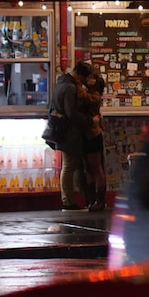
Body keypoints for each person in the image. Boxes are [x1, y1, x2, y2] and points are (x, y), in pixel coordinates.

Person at [48, 61, 93, 210]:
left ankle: (70, 199)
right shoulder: (70, 87)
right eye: (84, 78)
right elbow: (71, 112)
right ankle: (67, 201)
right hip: (68, 131)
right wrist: (89, 120)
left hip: (60, 128)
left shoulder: (61, 83)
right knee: (69, 165)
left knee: (70, 165)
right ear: (79, 75)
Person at [80, 68, 108, 212]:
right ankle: (91, 200)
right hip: (87, 133)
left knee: (96, 167)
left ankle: (100, 201)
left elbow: (85, 99)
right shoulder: (89, 93)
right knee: (89, 168)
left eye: (91, 78)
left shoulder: (94, 95)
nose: (89, 80)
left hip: (93, 133)